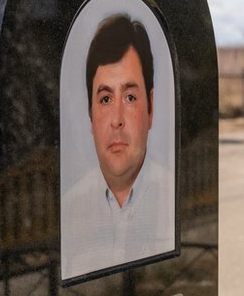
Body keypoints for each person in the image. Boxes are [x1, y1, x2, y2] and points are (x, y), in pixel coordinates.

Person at [61, 14, 174, 281]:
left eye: (131, 97)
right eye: (105, 98)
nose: (117, 120)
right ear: (90, 113)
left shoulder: (173, 197)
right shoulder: (70, 208)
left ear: (151, 107)